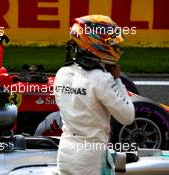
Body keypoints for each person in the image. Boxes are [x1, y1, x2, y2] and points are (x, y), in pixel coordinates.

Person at [55, 15, 135, 175]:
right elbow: (128, 116)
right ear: (96, 43)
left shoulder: (62, 73)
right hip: (91, 157)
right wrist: (117, 79)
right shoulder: (101, 79)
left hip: (65, 151)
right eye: (111, 42)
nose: (116, 46)